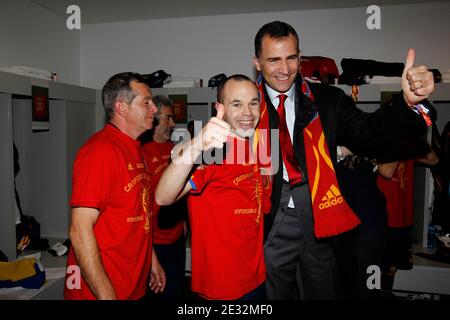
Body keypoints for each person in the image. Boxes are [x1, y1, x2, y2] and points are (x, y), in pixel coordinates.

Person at [252, 21, 436, 299]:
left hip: (322, 218)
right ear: (257, 63)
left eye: (291, 58)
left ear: (300, 58)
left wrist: (407, 104)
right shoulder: (243, 105)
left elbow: (369, 134)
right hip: (269, 220)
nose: (285, 68)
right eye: (274, 60)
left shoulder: (327, 100)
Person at [155, 74, 271, 300]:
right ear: (220, 108)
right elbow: (163, 196)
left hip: (257, 279)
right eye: (236, 104)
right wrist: (198, 144)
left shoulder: (257, 145)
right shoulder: (213, 151)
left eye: (253, 103)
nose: (247, 112)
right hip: (222, 288)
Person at [63, 72, 166, 300]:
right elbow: (79, 231)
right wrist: (106, 295)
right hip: (100, 292)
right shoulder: (100, 151)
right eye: (146, 102)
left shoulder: (134, 146)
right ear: (121, 108)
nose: (155, 109)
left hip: (131, 285)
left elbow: (137, 214)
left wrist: (152, 260)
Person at [141, 95, 187, 300]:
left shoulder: (174, 150)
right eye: (168, 118)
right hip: (154, 244)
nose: (173, 124)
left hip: (176, 239)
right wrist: (150, 254)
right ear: (154, 118)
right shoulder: (141, 153)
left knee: (176, 293)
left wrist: (184, 224)